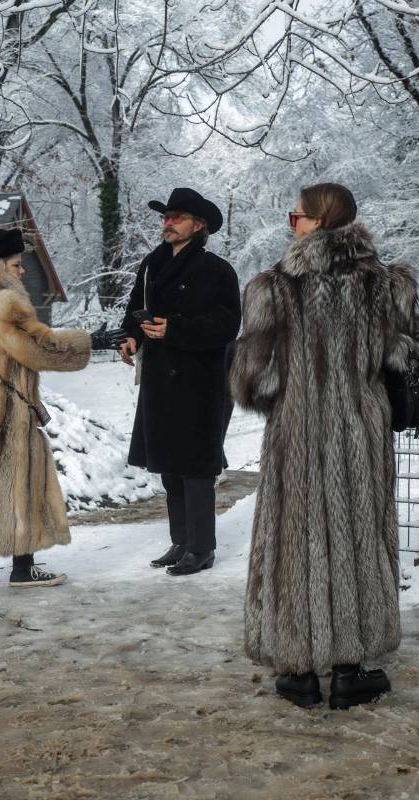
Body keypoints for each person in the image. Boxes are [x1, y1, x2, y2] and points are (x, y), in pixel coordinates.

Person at [230, 182, 419, 710]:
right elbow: (418, 362)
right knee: (358, 535)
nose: (291, 225)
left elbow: (252, 381)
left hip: (295, 434)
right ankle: (351, 669)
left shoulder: (271, 288)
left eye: (295, 216)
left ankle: (298, 670)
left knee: (297, 536)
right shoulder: (387, 285)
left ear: (320, 221)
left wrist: (297, 387)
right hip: (358, 435)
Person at [0, 227, 120, 588]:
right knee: (21, 481)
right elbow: (37, 346)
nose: (22, 272)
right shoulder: (4, 302)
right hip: (4, 414)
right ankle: (23, 567)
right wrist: (92, 341)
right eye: (17, 264)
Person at [118, 187, 241, 577]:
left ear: (198, 225)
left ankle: (202, 548)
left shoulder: (217, 270)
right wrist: (131, 337)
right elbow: (133, 311)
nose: (167, 223)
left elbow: (227, 325)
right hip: (159, 378)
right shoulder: (151, 264)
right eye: (165, 217)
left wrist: (176, 328)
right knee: (169, 464)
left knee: (196, 467)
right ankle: (181, 541)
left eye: (177, 217)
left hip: (201, 380)